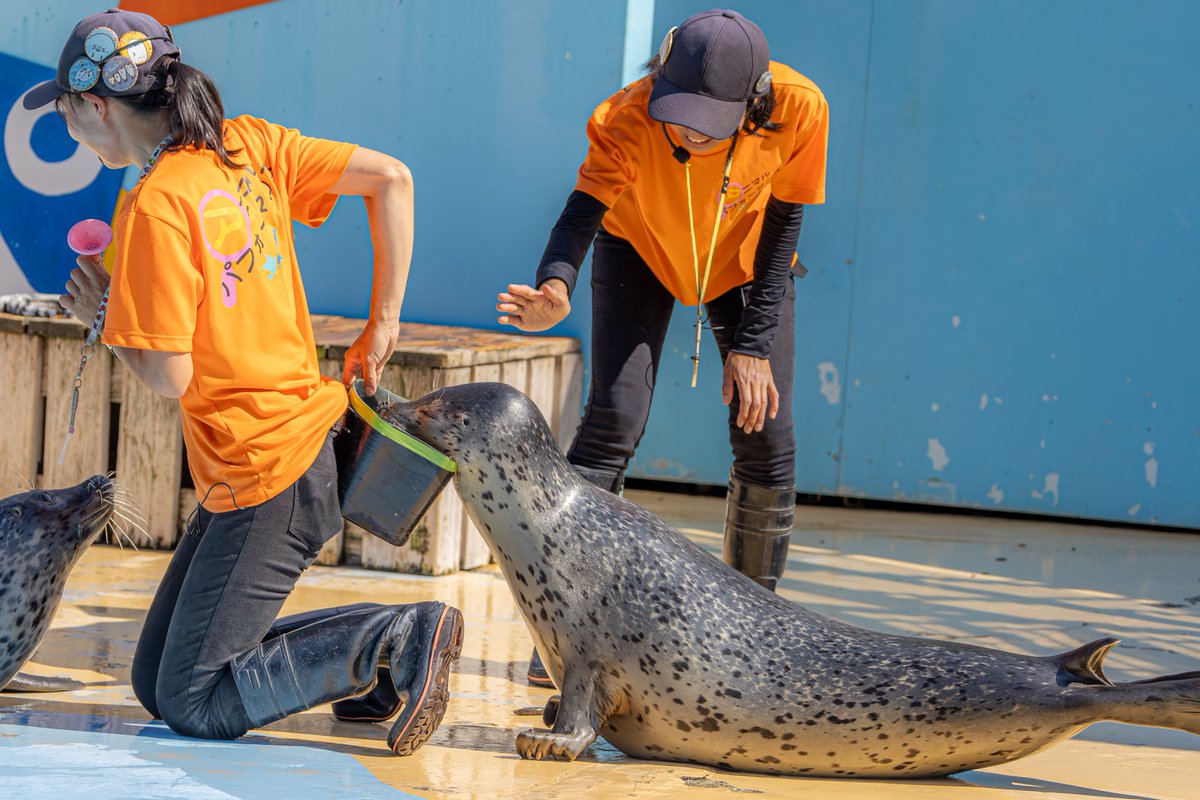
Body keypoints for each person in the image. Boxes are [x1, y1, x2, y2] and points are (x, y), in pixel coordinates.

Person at [30, 8, 461, 753]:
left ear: (95, 106)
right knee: (154, 683)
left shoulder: (155, 207)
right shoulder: (246, 144)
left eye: (66, 113)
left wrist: (102, 316)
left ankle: (394, 635)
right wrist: (382, 321)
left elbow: (170, 375)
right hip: (289, 452)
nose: (69, 128)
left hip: (269, 470)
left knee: (193, 701)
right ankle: (376, 654)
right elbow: (392, 179)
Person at [496, 9, 828, 686]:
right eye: (678, 111)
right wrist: (555, 284)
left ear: (752, 100)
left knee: (765, 430)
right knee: (612, 421)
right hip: (639, 245)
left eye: (709, 121)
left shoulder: (800, 108)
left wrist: (753, 342)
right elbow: (582, 211)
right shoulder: (623, 115)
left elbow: (785, 225)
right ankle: (565, 630)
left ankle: (754, 631)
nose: (686, 130)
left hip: (743, 261)